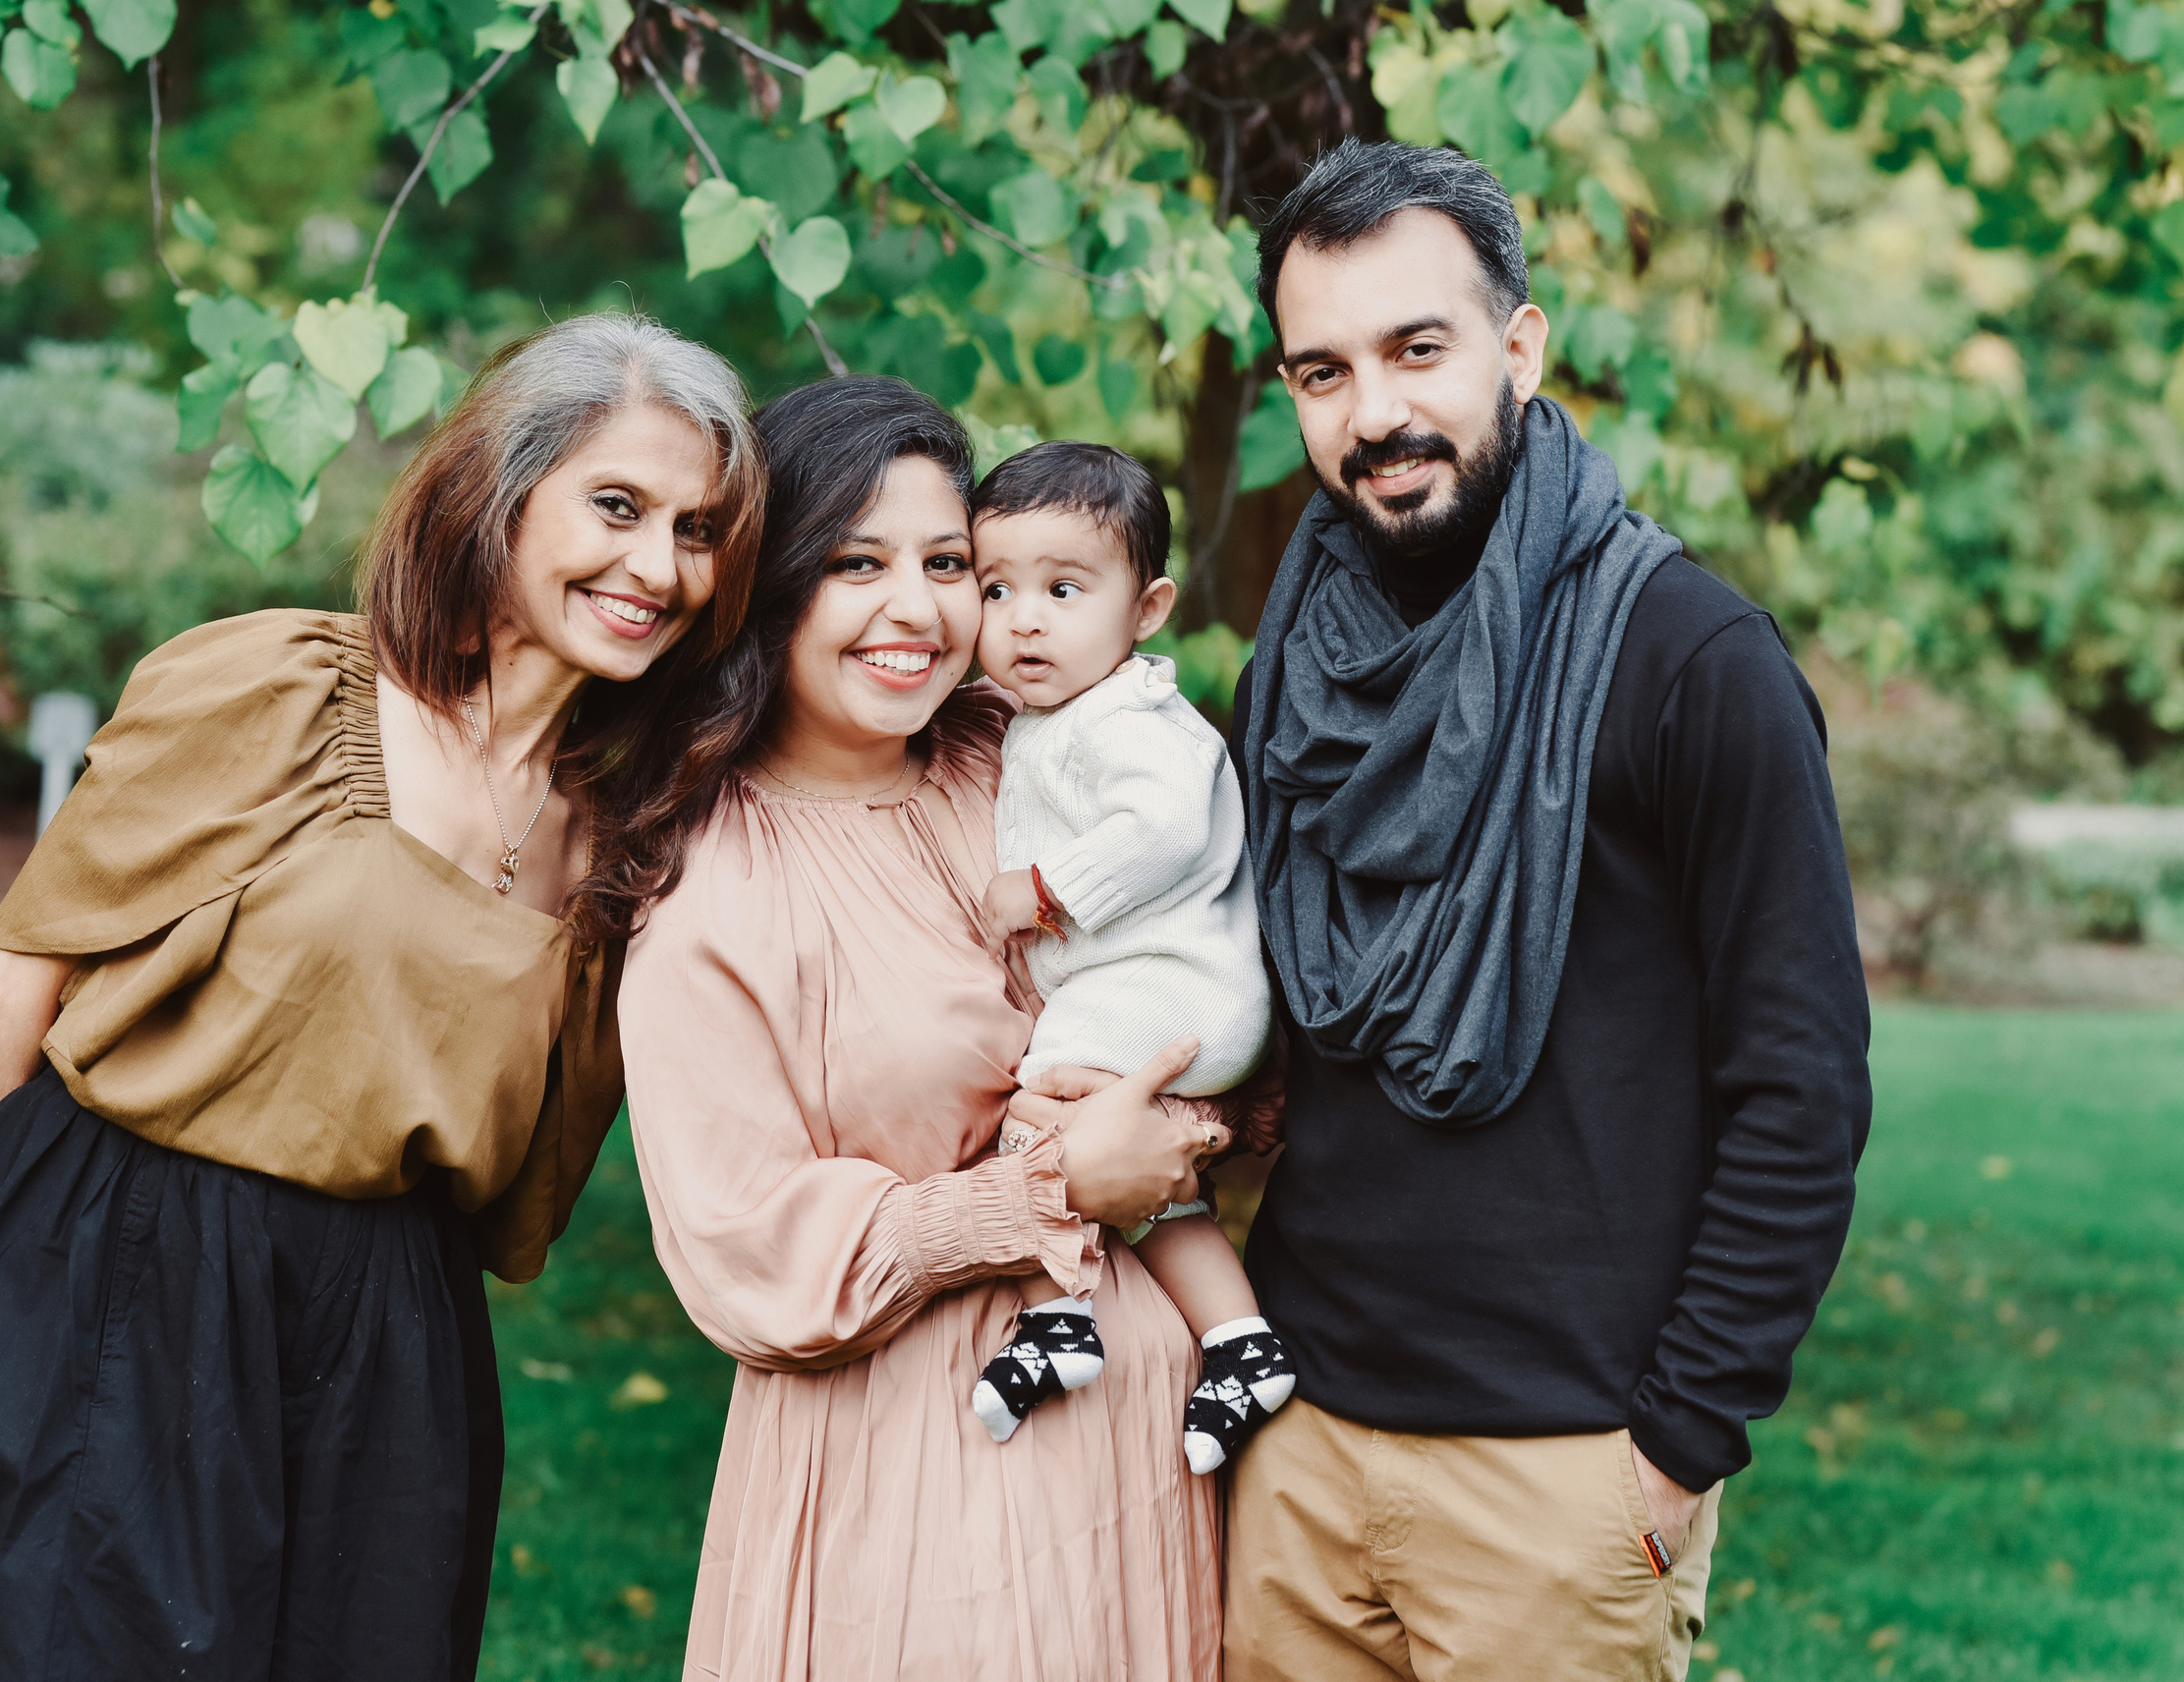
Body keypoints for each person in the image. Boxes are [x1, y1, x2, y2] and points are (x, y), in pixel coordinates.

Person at [0, 313, 765, 1682]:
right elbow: (5, 987)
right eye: (617, 505)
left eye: (699, 529)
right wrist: (15, 1314)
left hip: (389, 1334)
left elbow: (520, 1195)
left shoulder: (621, 847)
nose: (655, 566)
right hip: (132, 1263)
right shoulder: (283, 690)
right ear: (502, 492)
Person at [1221, 139, 1874, 1682]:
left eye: (1416, 350)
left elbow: (1802, 1086)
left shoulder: (1690, 659)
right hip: (1297, 1444)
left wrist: (1672, 1451)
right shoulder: (1295, 667)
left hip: (1565, 1471)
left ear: (1520, 347)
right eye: (1321, 372)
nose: (1374, 413)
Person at [617, 377, 1233, 1680]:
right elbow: (750, 1251)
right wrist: (1051, 1187)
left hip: (1143, 1442)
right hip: (914, 1476)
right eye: (856, 564)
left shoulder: (1022, 757)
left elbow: (1205, 946)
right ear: (772, 585)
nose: (920, 608)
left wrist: (1186, 1119)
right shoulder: (712, 890)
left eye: (948, 562)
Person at [963, 440, 1295, 1475]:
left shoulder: (1133, 720)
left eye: (1063, 588)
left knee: (1037, 1113)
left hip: (1171, 990)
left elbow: (1163, 829)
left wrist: (1046, 891)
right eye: (995, 587)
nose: (1024, 618)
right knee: (1158, 1195)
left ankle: (1058, 1317)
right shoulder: (1054, 715)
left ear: (1145, 608)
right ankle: (1241, 1344)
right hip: (1163, 994)